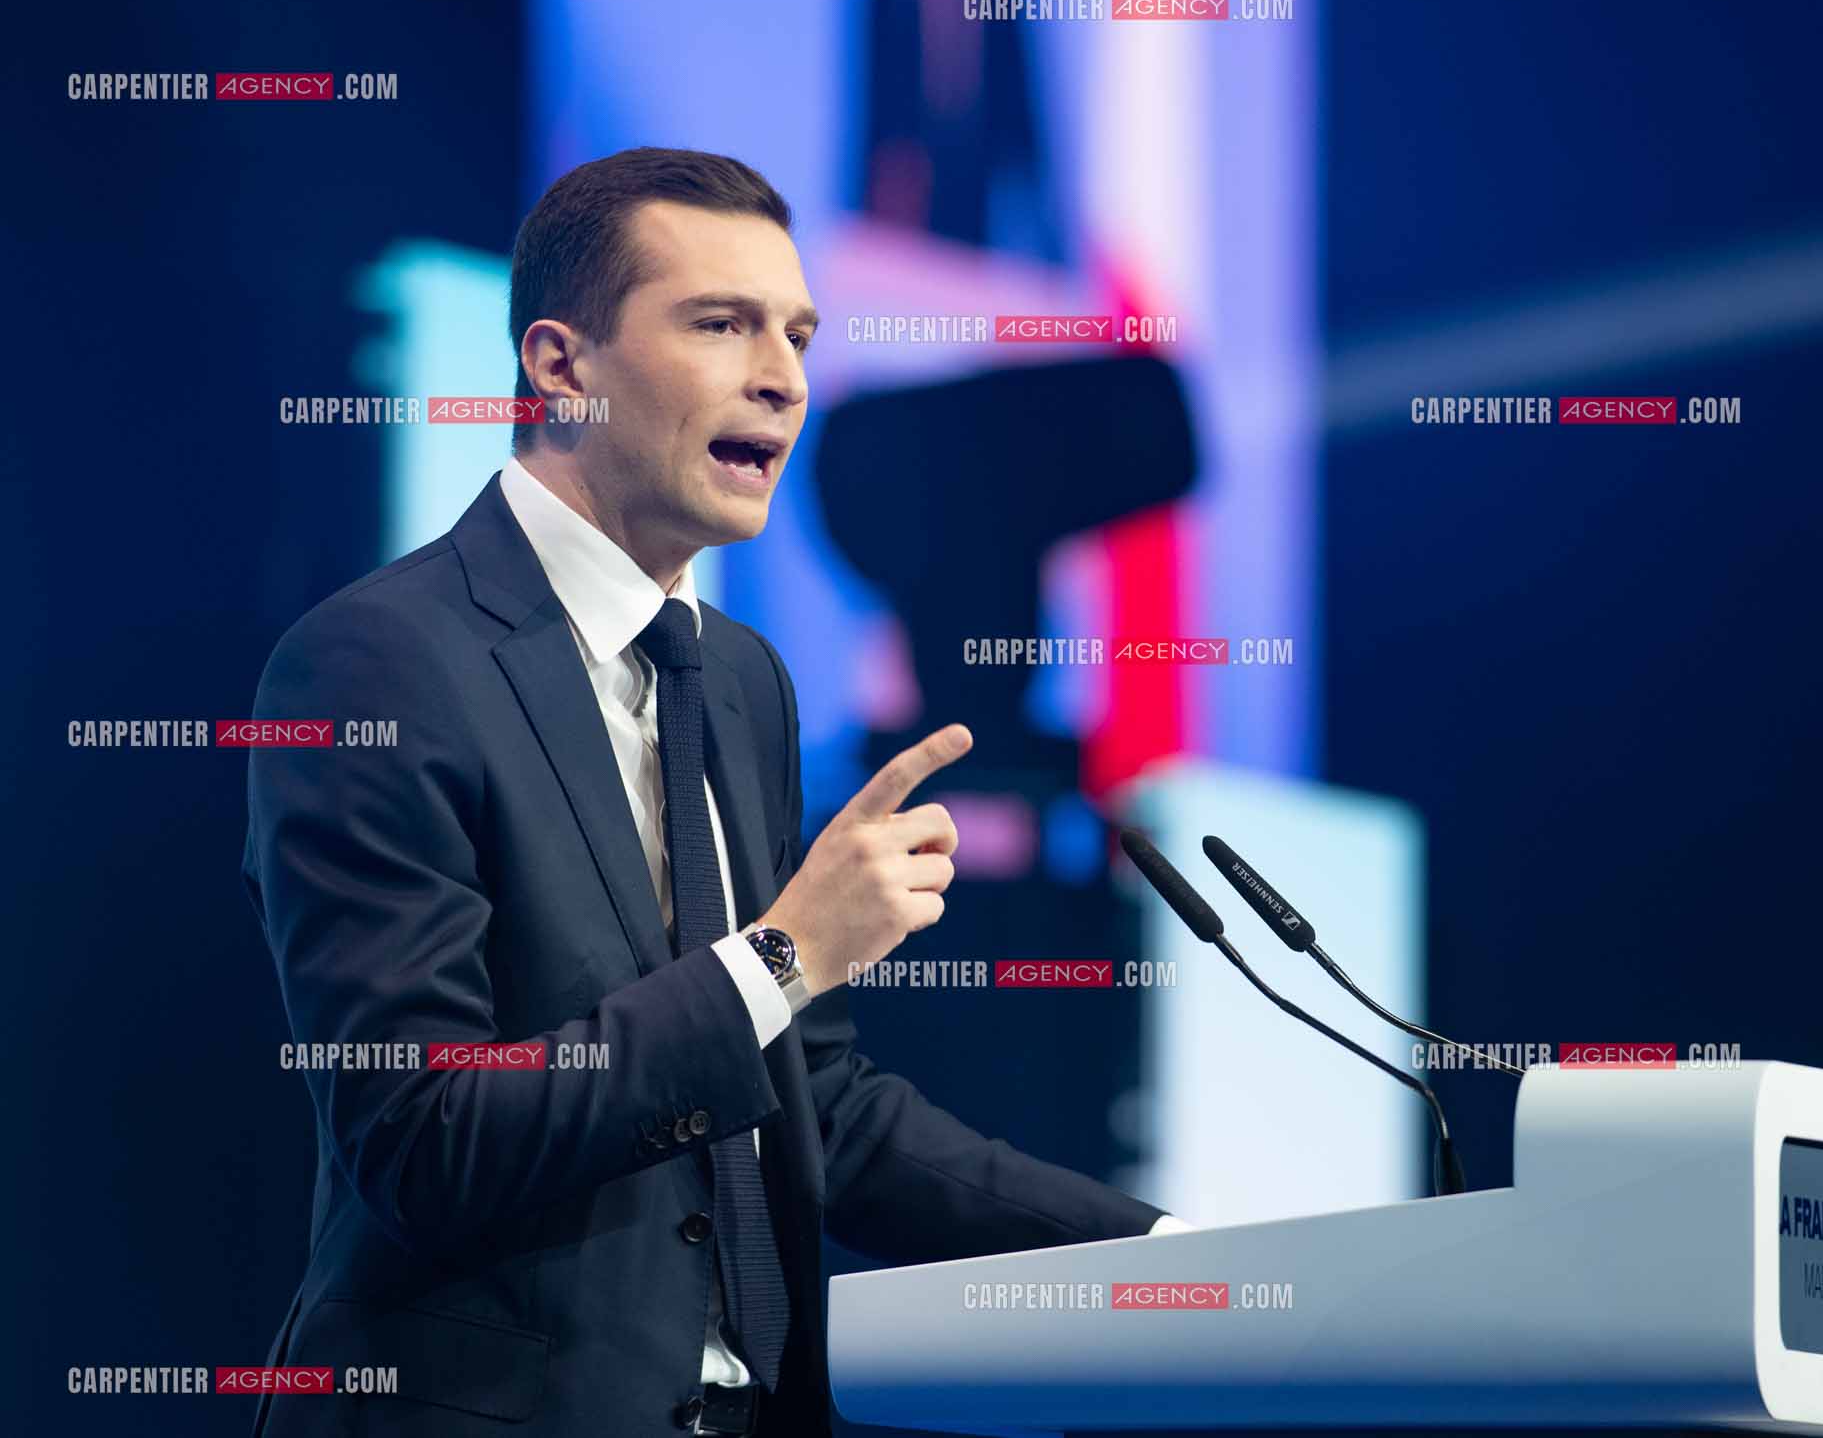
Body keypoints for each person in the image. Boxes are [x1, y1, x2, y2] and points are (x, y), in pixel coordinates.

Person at [245, 146, 1184, 1437]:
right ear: (560, 365)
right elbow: (425, 1138)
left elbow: (823, 1113)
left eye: (796, 333)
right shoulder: (379, 662)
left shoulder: (741, 681)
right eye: (719, 324)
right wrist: (789, 953)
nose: (783, 377)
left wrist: (1161, 1255)